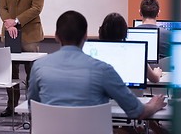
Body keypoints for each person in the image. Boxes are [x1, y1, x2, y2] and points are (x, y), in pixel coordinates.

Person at [28, 10, 166, 121]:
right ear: (85, 36)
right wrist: (153, 105)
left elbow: (32, 107)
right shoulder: (103, 69)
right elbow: (137, 112)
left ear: (56, 36)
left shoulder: (39, 67)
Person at [0, 0, 44, 117]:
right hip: (10, 33)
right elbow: (2, 7)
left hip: (30, 34)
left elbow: (36, 8)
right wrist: (8, 24)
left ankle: (33, 107)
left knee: (32, 73)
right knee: (11, 73)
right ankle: (11, 106)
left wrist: (16, 21)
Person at [99, 12, 162, 83]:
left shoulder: (96, 52)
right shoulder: (135, 52)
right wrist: (157, 73)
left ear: (101, 31)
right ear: (125, 31)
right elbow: (154, 79)